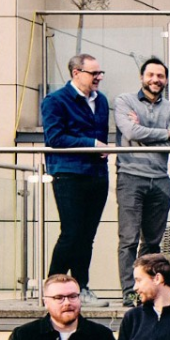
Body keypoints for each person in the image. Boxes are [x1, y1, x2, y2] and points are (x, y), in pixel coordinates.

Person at [42, 55, 112, 304]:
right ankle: (53, 288)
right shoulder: (55, 100)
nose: (99, 77)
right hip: (69, 173)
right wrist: (91, 144)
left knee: (86, 235)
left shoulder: (101, 100)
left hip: (97, 174)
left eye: (100, 73)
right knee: (71, 233)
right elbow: (55, 138)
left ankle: (81, 287)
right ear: (76, 73)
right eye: (94, 73)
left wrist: (100, 149)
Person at [113, 58, 170, 305]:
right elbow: (130, 132)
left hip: (160, 179)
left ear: (166, 80)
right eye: (151, 75)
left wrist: (143, 134)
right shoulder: (125, 101)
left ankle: (148, 290)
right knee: (129, 239)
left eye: (160, 76)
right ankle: (130, 292)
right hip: (131, 177)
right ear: (142, 77)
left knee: (152, 242)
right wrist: (165, 133)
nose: (155, 80)